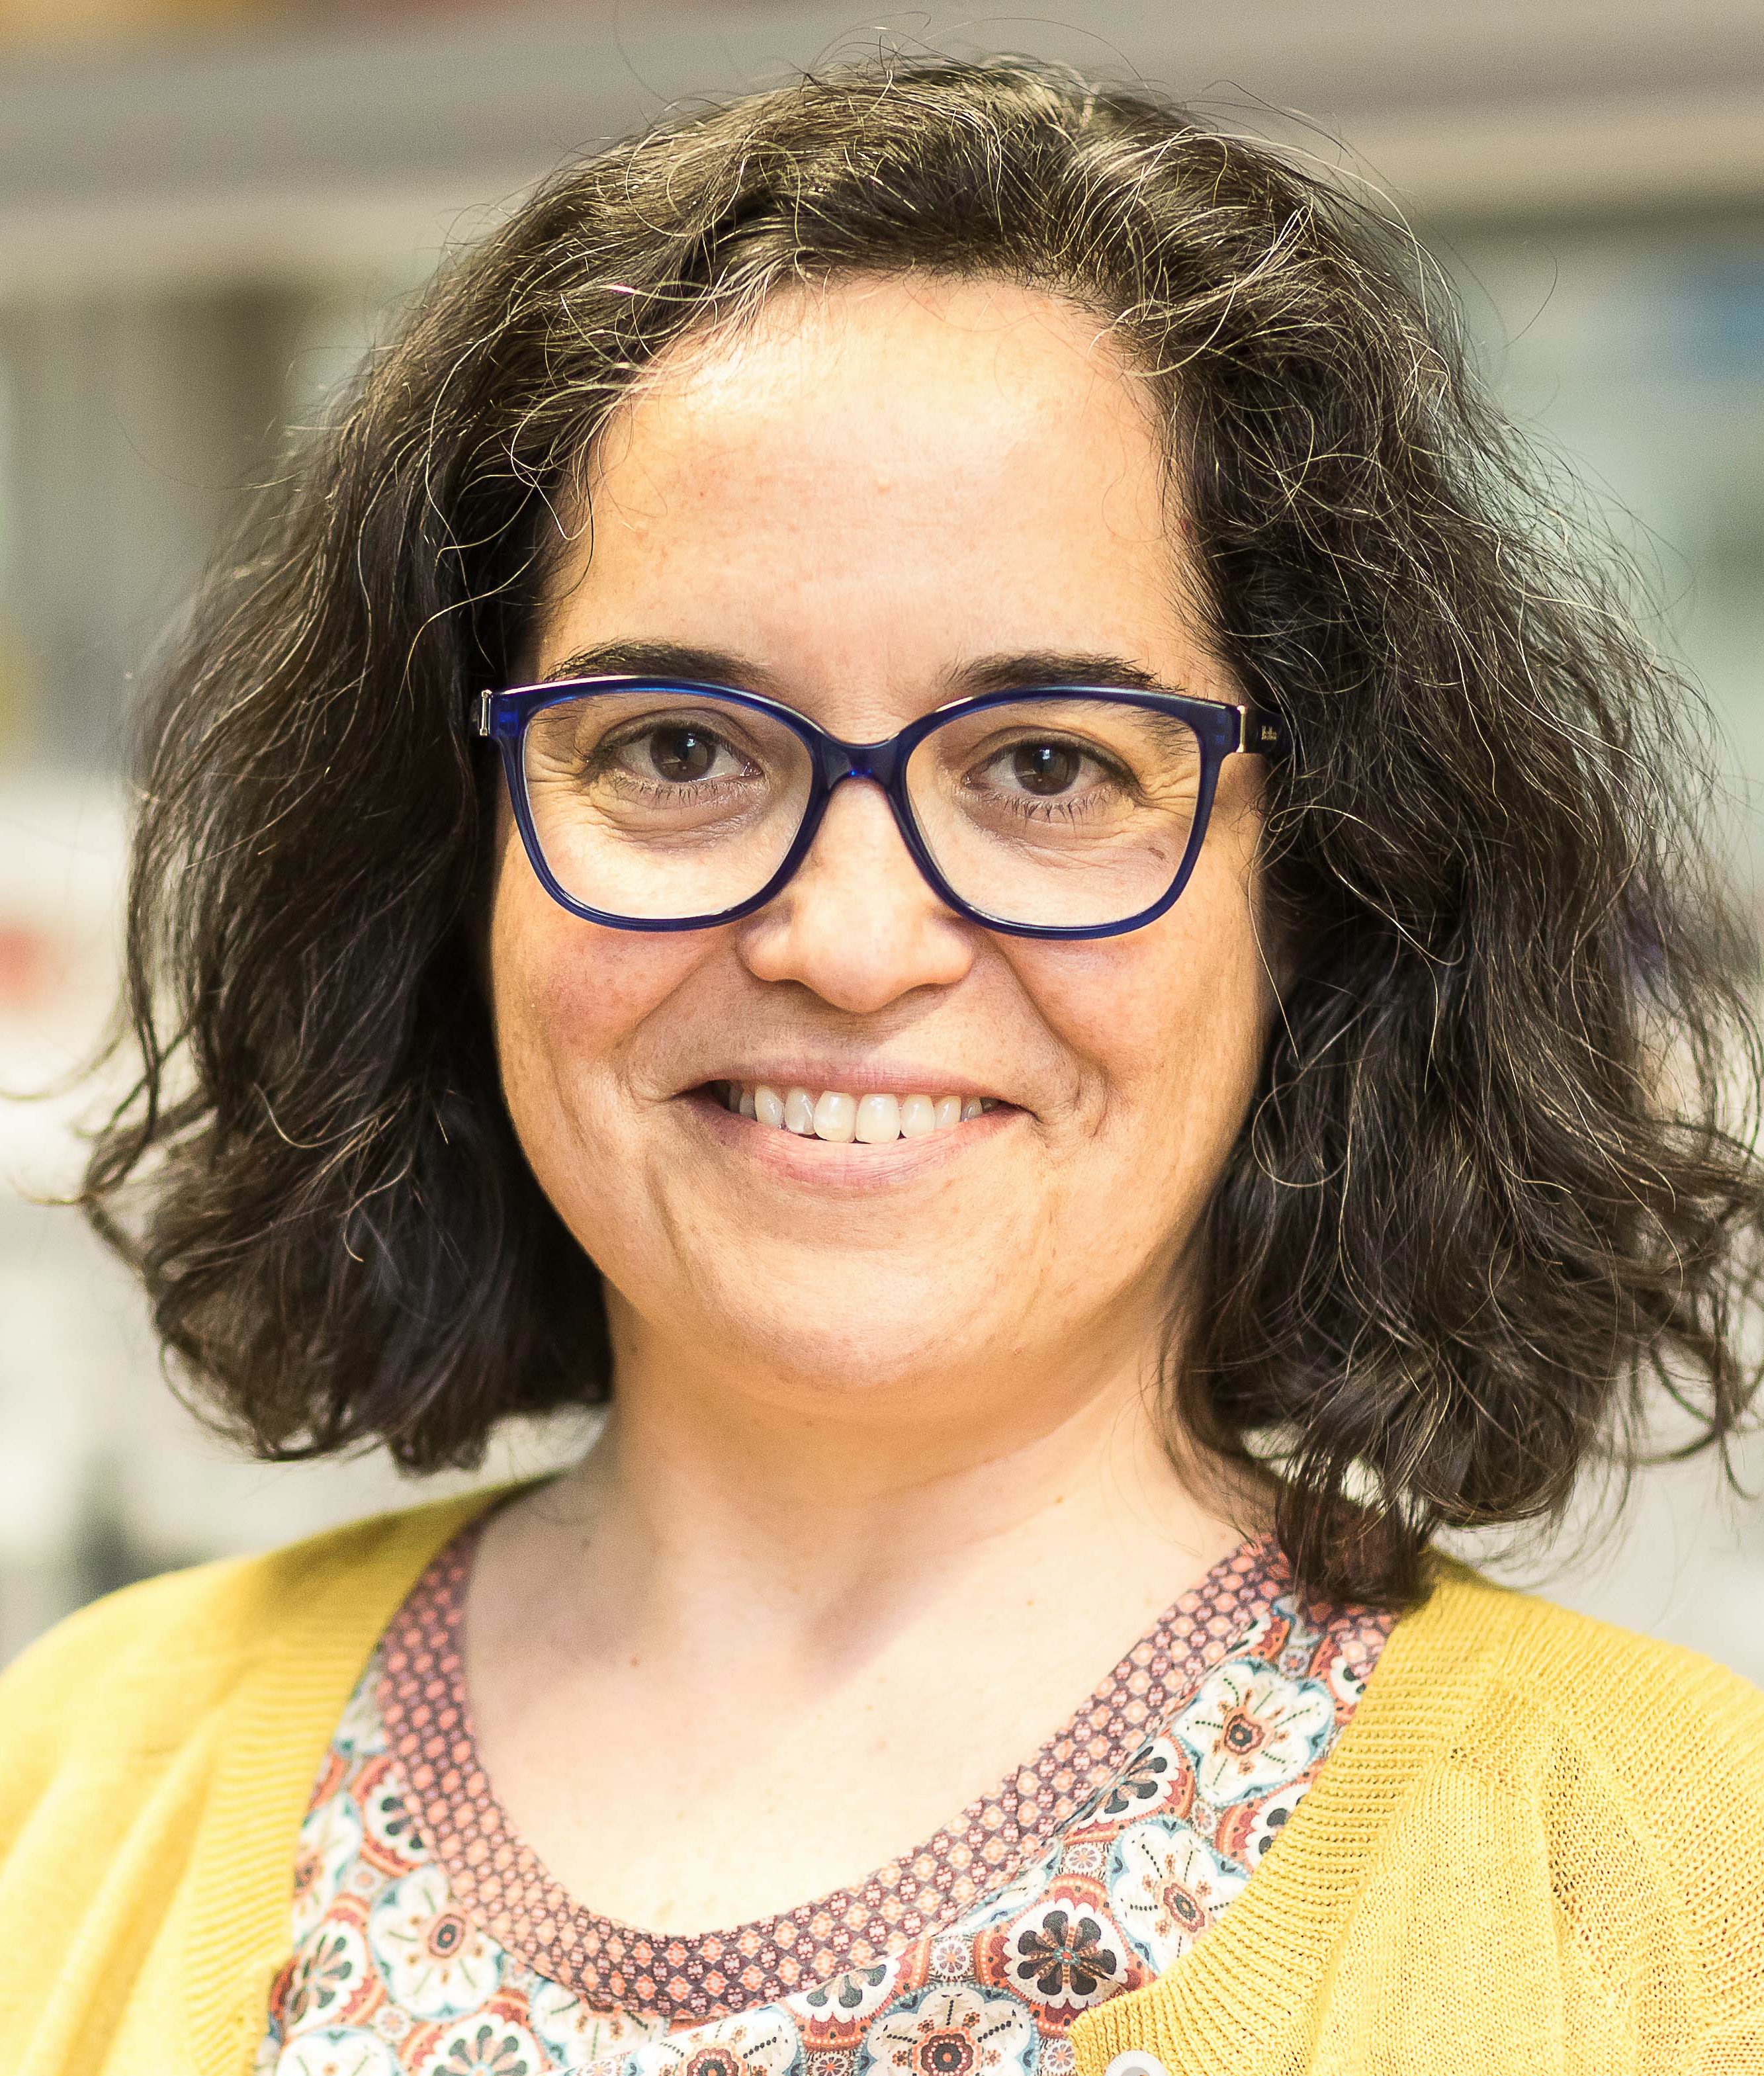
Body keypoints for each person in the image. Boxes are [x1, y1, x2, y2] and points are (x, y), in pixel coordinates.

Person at [2, 52, 1761, 2076]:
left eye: (1046, 768)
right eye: (677, 748)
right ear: (455, 847)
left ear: (1320, 891)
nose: (846, 940)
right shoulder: (73, 1786)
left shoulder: (1684, 1885)